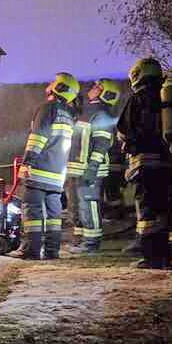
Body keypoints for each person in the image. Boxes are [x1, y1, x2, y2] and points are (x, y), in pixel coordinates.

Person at [116, 57, 172, 269]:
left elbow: (123, 130)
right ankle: (165, 256)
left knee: (148, 212)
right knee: (163, 210)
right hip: (169, 164)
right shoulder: (168, 99)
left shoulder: (139, 98)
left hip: (146, 163)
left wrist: (126, 143)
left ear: (137, 75)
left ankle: (152, 257)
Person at [14, 72, 78, 260]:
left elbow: (38, 138)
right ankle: (52, 251)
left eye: (54, 82)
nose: (50, 83)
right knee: (54, 216)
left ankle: (31, 251)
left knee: (32, 211)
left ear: (60, 87)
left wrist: (27, 163)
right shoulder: (68, 114)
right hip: (57, 175)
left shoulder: (47, 108)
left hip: (39, 170)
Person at [66, 78, 121, 254]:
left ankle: (91, 243)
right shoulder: (87, 112)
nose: (93, 88)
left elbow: (102, 144)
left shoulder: (101, 115)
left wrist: (92, 167)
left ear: (105, 93)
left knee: (89, 204)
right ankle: (80, 239)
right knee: (76, 206)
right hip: (76, 169)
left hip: (90, 170)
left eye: (98, 87)